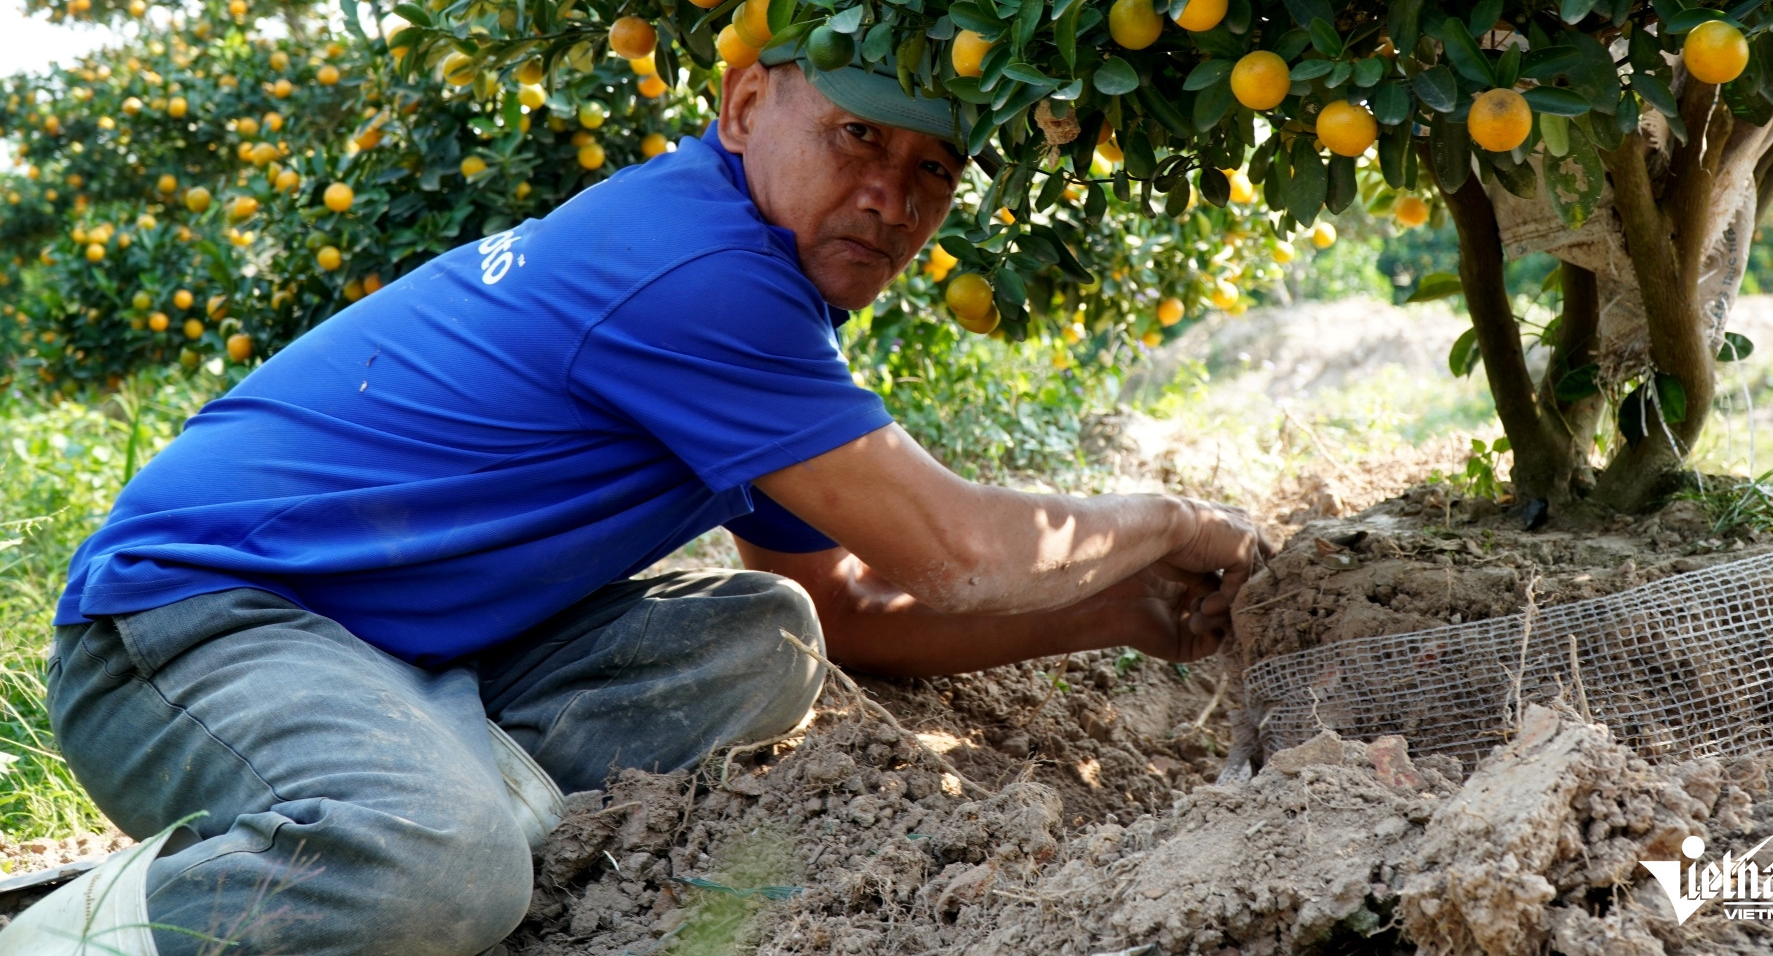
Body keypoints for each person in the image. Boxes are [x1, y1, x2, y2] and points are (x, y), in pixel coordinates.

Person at [8, 49, 1263, 956]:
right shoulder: (705, 274)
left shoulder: (758, 299)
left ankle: (409, 797)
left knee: (763, 631)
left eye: (931, 168)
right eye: (857, 137)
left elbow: (855, 604)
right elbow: (959, 553)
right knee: (444, 875)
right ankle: (78, 930)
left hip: (407, 648)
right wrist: (1168, 520)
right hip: (192, 628)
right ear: (745, 103)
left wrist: (1115, 615)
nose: (891, 194)